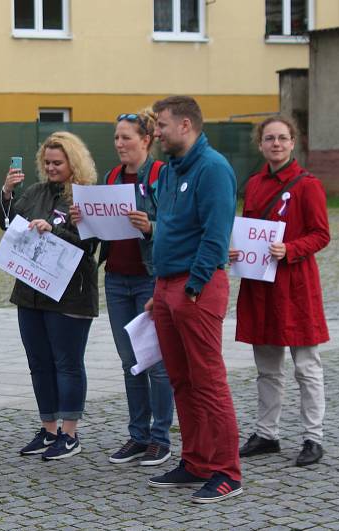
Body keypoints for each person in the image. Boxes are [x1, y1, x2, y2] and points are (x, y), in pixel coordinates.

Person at [143, 95, 242, 503]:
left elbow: (216, 234)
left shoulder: (214, 168)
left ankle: (227, 471)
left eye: (162, 125)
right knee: (181, 379)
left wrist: (193, 286)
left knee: (208, 379)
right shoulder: (168, 171)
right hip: (168, 285)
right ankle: (196, 461)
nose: (156, 133)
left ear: (185, 125)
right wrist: (158, 290)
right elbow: (165, 230)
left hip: (196, 287)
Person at [69, 110, 174, 466]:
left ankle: (161, 437)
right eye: (116, 137)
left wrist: (151, 226)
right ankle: (138, 435)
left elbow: (175, 224)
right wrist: (84, 221)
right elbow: (104, 229)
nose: (119, 144)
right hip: (116, 278)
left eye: (126, 137)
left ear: (146, 140)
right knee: (130, 362)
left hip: (150, 277)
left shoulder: (162, 176)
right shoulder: (113, 176)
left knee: (156, 362)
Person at [233, 116, 330, 467]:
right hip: (261, 285)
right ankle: (267, 433)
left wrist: (291, 249)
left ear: (293, 143)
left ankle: (312, 437)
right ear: (261, 144)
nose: (276, 144)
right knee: (267, 368)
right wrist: (237, 249)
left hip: (296, 286)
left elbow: (321, 233)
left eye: (282, 138)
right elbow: (248, 229)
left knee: (306, 366)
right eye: (270, 138)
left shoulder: (308, 185)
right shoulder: (256, 183)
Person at [0, 131, 99, 460]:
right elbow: (9, 226)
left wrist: (52, 229)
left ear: (74, 162)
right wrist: (7, 194)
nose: (52, 168)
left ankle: (70, 434)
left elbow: (90, 243)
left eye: (58, 162)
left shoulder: (85, 197)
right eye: (47, 162)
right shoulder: (36, 191)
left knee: (67, 364)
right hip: (31, 292)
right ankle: (49, 429)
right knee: (39, 363)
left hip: (71, 294)